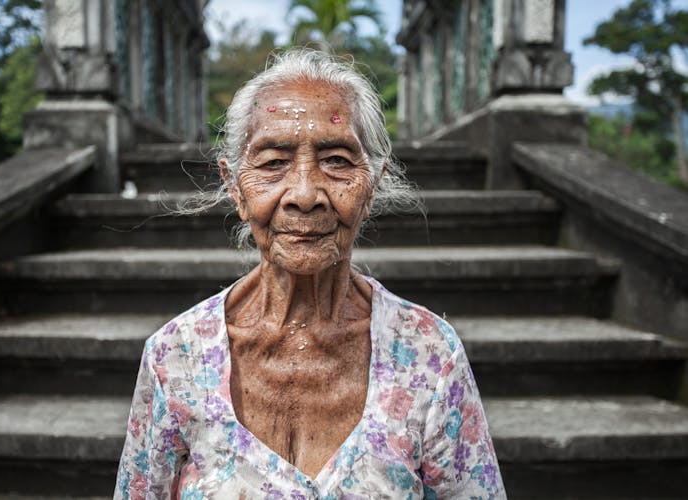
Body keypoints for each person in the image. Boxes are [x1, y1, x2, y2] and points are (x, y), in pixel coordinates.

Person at [115, 48, 505, 499]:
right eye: (273, 162)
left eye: (337, 160)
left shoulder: (429, 354)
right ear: (235, 188)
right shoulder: (175, 358)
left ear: (371, 187)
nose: (304, 194)